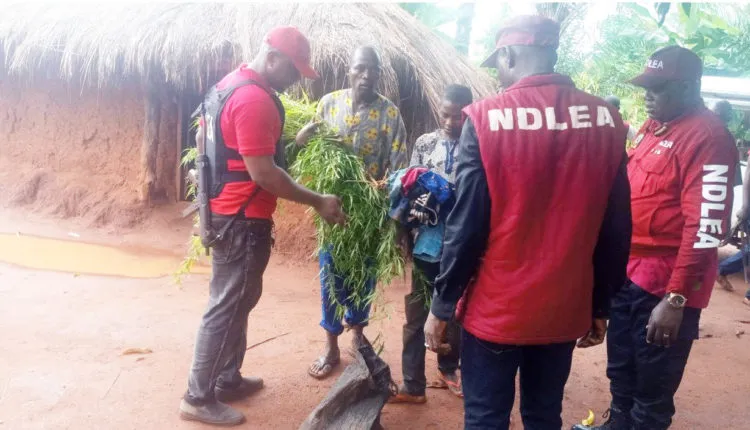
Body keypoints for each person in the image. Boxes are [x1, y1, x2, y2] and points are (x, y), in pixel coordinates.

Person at [423, 15, 632, 429]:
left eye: (497, 64)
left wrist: (442, 305)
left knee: (485, 416)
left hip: (497, 308)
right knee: (543, 414)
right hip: (563, 307)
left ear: (509, 54)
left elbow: (466, 227)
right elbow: (616, 229)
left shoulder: (484, 119)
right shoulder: (608, 121)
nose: (497, 74)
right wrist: (600, 305)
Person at [180, 27, 346, 426]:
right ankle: (197, 397)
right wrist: (319, 201)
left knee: (238, 300)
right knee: (226, 306)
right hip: (241, 220)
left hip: (226, 215)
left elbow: (229, 149)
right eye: (293, 70)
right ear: (272, 58)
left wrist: (298, 143)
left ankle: (226, 378)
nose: (295, 79)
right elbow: (265, 174)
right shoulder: (254, 99)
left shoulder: (228, 86)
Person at [576, 46, 738, 430]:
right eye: (646, 86)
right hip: (631, 273)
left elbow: (705, 228)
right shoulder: (654, 126)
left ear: (688, 86)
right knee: (622, 367)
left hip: (666, 285)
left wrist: (676, 298)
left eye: (658, 87)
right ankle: (617, 423)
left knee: (652, 388)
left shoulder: (709, 138)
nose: (648, 95)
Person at [296, 46, 408, 380]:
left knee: (364, 275)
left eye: (372, 69)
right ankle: (330, 344)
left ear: (378, 73)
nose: (366, 75)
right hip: (332, 209)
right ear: (350, 70)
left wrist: (388, 209)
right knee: (331, 274)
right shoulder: (329, 103)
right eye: (360, 68)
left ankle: (358, 340)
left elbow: (400, 168)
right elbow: (306, 144)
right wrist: (305, 135)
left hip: (370, 212)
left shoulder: (390, 115)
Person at [388, 84, 473, 404]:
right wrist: (401, 232)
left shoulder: (476, 146)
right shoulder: (425, 144)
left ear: (469, 112)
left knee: (453, 311)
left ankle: (449, 368)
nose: (452, 122)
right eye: (446, 114)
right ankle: (413, 383)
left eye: (459, 115)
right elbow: (407, 187)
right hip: (427, 242)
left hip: (461, 245)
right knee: (416, 312)